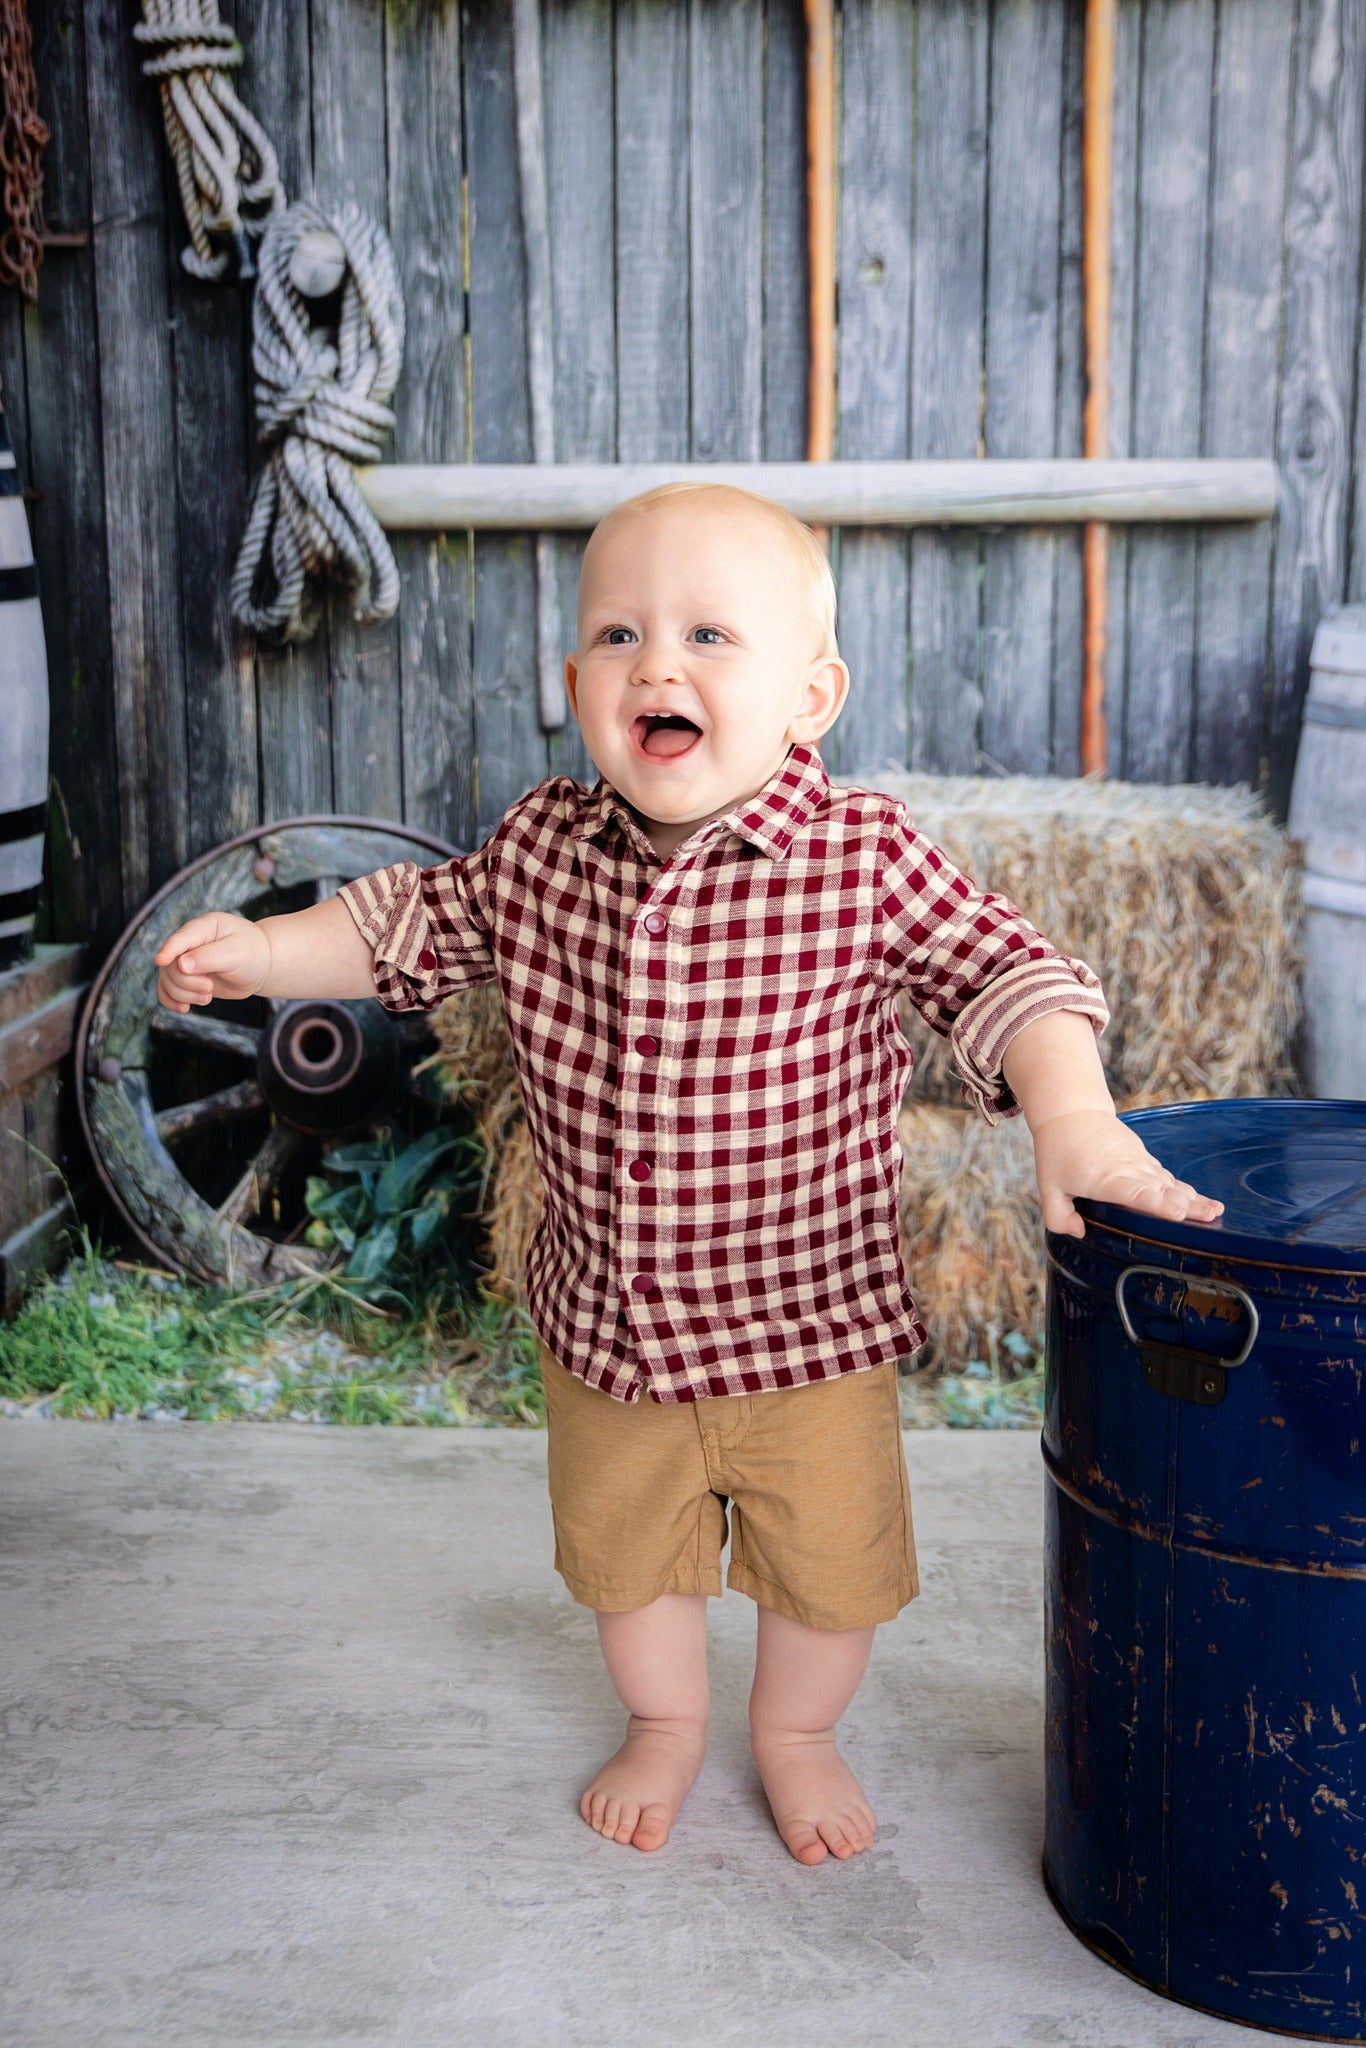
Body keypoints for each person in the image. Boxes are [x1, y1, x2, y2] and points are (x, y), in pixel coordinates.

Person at [154, 481, 1224, 1868]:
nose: (655, 663)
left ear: (809, 696)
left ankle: (794, 1735)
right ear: (575, 684)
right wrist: (269, 952)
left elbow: (1009, 974)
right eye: (618, 634)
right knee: (627, 1565)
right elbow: (400, 926)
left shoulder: (860, 858)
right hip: (613, 1328)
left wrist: (1067, 1116)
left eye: (709, 635)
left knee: (827, 1575)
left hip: (805, 1327)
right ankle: (662, 1724)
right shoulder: (542, 846)